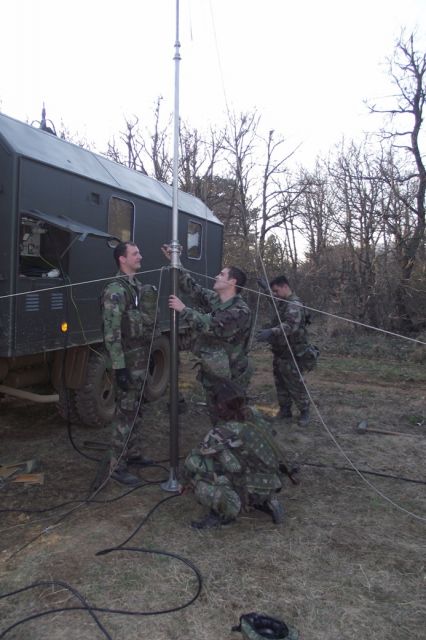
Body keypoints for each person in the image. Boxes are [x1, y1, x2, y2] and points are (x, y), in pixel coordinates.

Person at [183, 379, 296, 529]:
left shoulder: (221, 432)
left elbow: (192, 460)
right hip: (272, 481)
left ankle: (224, 511)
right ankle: (266, 500)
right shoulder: (255, 413)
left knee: (200, 476)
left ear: (219, 407)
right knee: (229, 460)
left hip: (248, 485)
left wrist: (190, 478)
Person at [162, 244, 252, 420]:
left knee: (231, 417)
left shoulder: (240, 311)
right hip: (214, 370)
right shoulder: (216, 299)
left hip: (231, 376)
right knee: (215, 412)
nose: (216, 276)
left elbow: (212, 326)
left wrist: (183, 309)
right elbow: (192, 288)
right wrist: (175, 260)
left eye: (222, 274)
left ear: (232, 282)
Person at [101, 241, 158, 485]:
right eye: (135, 253)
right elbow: (111, 332)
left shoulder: (135, 287)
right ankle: (117, 466)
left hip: (140, 359)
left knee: (137, 408)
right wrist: (119, 367)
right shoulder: (116, 290)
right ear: (122, 259)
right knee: (125, 412)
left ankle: (132, 453)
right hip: (127, 360)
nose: (140, 256)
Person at [256, 275, 314, 427]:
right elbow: (274, 301)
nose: (275, 294)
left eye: (276, 291)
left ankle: (304, 411)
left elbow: (291, 326)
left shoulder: (294, 304)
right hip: (280, 351)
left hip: (292, 352)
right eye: (273, 291)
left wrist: (271, 332)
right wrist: (266, 289)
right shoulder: (283, 301)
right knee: (280, 382)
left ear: (285, 287)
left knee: (295, 383)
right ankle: (285, 410)